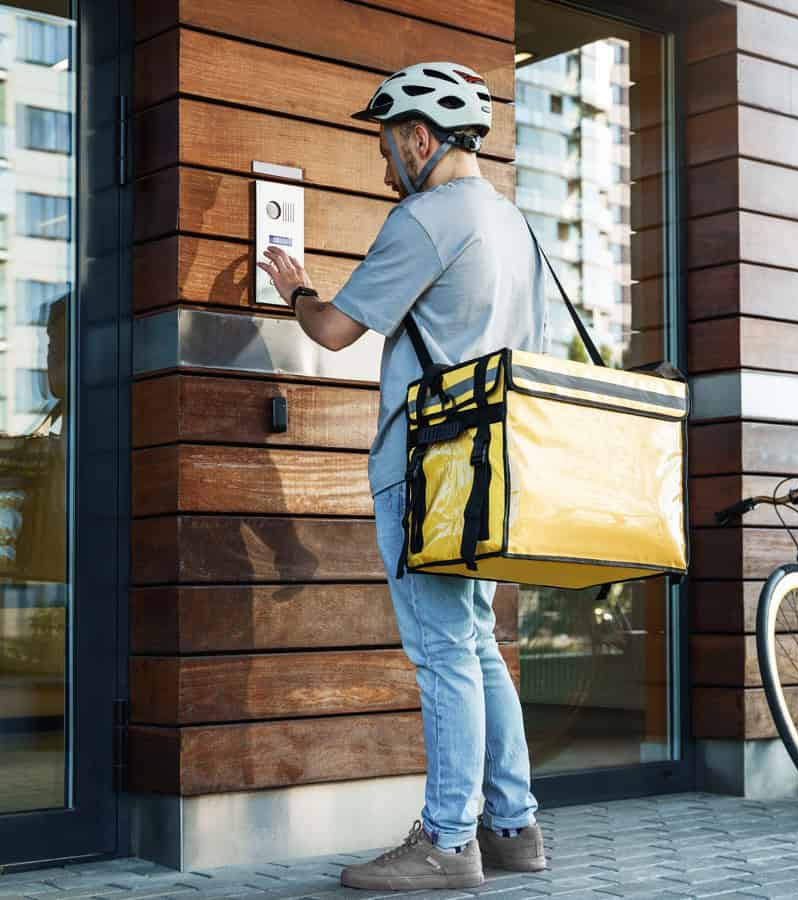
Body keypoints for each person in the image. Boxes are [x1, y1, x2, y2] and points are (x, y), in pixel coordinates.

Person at [257, 60, 547, 892]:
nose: (385, 170)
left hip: (426, 466)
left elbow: (338, 329)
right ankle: (513, 828)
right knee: (478, 651)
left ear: (419, 138)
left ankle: (448, 843)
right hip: (490, 466)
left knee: (444, 655)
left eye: (387, 149)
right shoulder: (511, 224)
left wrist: (295, 287)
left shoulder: (426, 217)